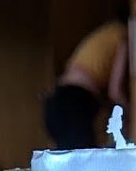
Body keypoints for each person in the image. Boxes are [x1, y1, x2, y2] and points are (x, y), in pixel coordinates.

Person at [44, 18, 128, 150]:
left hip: (56, 102)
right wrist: (129, 113)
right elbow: (115, 92)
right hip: (73, 104)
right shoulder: (122, 36)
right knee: (86, 162)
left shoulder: (105, 33)